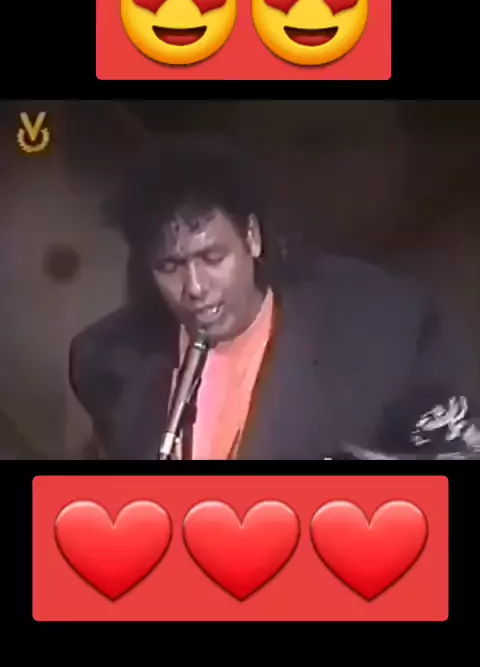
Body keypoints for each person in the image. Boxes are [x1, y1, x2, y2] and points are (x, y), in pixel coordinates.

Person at [69, 137, 479, 460]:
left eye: (213, 257)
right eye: (170, 266)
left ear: (252, 237)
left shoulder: (383, 331)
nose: (194, 287)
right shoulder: (107, 360)